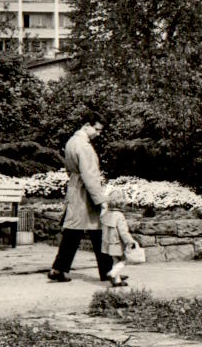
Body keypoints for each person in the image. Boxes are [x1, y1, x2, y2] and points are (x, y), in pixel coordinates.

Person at [48, 112, 114, 283]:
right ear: (87, 125)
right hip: (86, 194)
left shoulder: (71, 142)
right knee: (98, 232)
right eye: (97, 130)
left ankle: (58, 269)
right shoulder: (84, 146)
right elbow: (90, 175)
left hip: (75, 189)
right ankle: (108, 272)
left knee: (74, 232)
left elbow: (70, 170)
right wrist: (100, 200)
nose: (99, 134)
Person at [100, 188, 136, 287]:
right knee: (124, 259)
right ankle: (113, 273)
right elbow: (123, 232)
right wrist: (130, 242)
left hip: (107, 242)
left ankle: (117, 281)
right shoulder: (119, 216)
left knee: (115, 260)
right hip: (116, 243)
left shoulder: (106, 214)